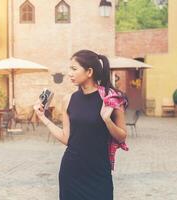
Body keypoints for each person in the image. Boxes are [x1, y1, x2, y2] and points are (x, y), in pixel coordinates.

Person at [33, 49, 128, 200]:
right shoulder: (68, 99)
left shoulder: (111, 99)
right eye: (69, 69)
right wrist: (43, 117)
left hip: (99, 172)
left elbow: (122, 137)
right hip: (71, 171)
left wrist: (107, 120)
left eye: (74, 69)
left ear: (89, 72)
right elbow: (66, 138)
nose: (69, 73)